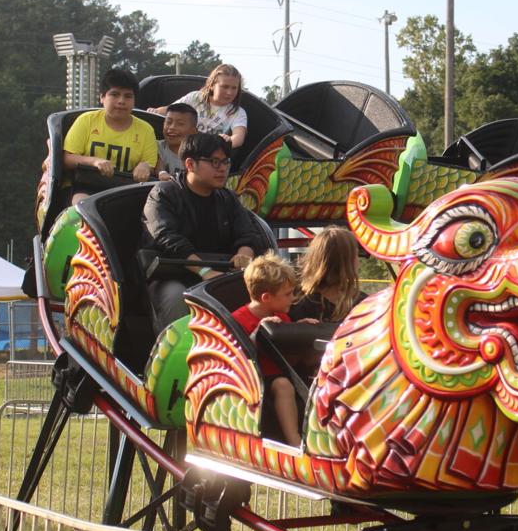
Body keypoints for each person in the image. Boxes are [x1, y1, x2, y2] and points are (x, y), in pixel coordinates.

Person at [140, 133, 260, 330]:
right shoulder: (163, 194)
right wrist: (205, 272)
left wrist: (243, 254)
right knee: (176, 297)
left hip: (221, 273)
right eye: (214, 162)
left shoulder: (228, 198)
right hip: (173, 275)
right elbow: (166, 238)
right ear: (190, 164)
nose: (222, 169)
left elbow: (248, 233)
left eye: (225, 162)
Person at [230, 253, 318, 446]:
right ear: (266, 297)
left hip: (282, 371)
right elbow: (239, 355)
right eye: (288, 294)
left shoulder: (282, 317)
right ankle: (294, 440)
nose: (293, 299)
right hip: (254, 380)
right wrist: (260, 332)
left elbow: (288, 355)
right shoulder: (238, 320)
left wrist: (299, 330)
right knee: (283, 385)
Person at [63, 68, 159, 203]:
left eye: (128, 96)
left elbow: (150, 164)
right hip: (85, 186)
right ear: (102, 97)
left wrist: (145, 166)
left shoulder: (146, 130)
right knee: (82, 205)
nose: (121, 101)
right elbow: (67, 159)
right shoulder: (86, 121)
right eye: (115, 94)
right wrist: (95, 162)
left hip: (127, 192)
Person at [151, 64, 248, 149]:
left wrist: (228, 140)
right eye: (225, 87)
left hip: (209, 153)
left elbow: (238, 138)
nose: (229, 92)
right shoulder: (195, 97)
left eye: (234, 88)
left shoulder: (237, 112)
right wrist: (154, 111)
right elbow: (169, 110)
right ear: (212, 85)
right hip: (182, 147)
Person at [289, 227, 367, 324]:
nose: (358, 261)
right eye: (356, 255)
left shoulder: (295, 299)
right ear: (345, 262)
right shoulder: (363, 305)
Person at [157, 103, 197, 180]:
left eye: (180, 124)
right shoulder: (156, 146)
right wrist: (161, 172)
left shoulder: (199, 154)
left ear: (193, 131)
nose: (172, 127)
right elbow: (157, 165)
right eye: (168, 122)